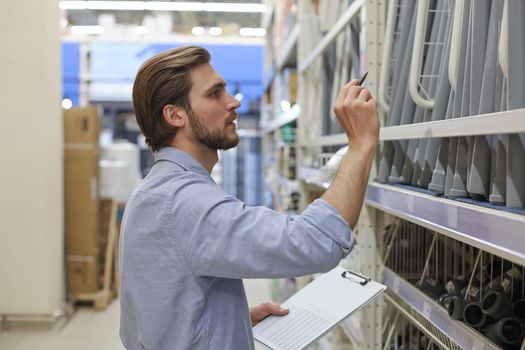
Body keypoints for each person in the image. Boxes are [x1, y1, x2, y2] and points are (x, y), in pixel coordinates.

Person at [119, 45, 379, 350]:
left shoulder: (155, 191)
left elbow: (150, 315)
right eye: (215, 94)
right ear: (175, 114)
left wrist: (230, 320)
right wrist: (361, 143)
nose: (234, 102)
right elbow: (317, 243)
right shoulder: (183, 202)